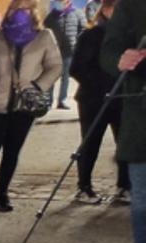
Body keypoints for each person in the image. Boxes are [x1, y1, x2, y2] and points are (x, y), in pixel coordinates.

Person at [0, 0, 62, 213]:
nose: (22, 12)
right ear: (10, 11)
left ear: (34, 12)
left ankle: (2, 193)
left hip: (24, 108)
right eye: (18, 8)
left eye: (27, 8)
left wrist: (38, 87)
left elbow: (55, 66)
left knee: (12, 153)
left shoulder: (44, 37)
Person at [102, 0, 146, 243]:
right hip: (142, 122)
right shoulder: (131, 4)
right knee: (143, 203)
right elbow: (108, 50)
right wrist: (120, 58)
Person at [71, 0, 128, 204]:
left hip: (121, 99)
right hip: (93, 100)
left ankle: (125, 186)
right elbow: (77, 68)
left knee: (124, 143)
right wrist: (101, 86)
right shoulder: (91, 35)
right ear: (105, 10)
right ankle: (84, 186)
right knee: (90, 142)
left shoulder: (127, 37)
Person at [44, 0, 82, 109]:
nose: (60, 3)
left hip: (69, 51)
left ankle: (62, 100)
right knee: (51, 76)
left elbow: (82, 29)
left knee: (65, 77)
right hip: (54, 51)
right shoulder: (51, 16)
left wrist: (77, 44)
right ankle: (49, 101)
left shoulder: (77, 14)